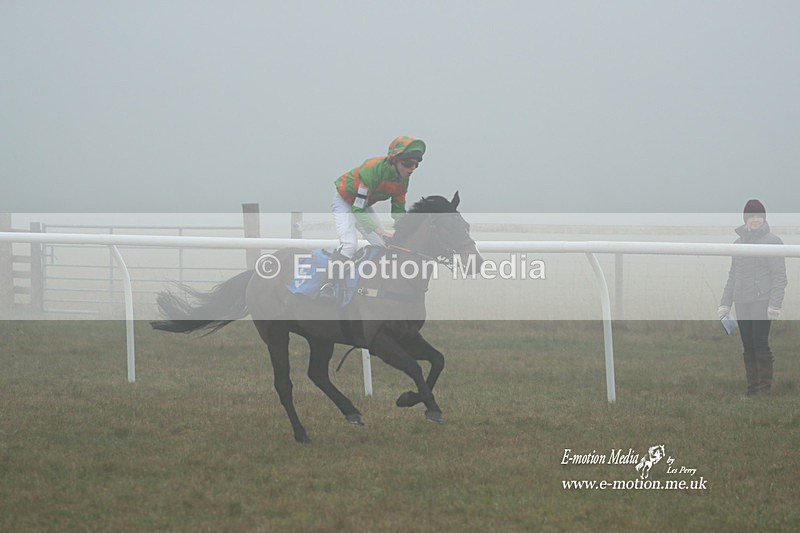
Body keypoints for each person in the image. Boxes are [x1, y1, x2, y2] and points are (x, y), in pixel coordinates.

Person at [718, 199, 787, 396]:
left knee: (760, 343)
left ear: (764, 218)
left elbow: (779, 276)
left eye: (759, 216)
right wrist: (725, 304)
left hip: (762, 301)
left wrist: (775, 304)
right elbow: (733, 276)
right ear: (745, 219)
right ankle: (752, 388)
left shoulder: (774, 242)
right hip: (741, 301)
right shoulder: (737, 244)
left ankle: (763, 389)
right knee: (747, 344)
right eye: (751, 216)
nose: (755, 220)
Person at [332, 136, 426, 259]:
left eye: (416, 164)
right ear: (394, 160)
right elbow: (357, 210)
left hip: (362, 206)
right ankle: (328, 278)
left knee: (383, 246)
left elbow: (398, 211)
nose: (413, 168)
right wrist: (381, 232)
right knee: (349, 246)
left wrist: (403, 232)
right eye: (408, 163)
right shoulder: (372, 171)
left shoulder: (403, 180)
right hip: (344, 202)